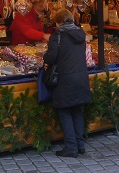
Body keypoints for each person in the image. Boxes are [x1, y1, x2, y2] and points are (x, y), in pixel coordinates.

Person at [43, 9, 91, 158]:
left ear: (59, 22)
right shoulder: (80, 34)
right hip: (81, 78)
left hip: (65, 79)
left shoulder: (57, 36)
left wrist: (44, 55)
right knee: (77, 111)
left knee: (65, 112)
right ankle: (80, 145)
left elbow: (51, 58)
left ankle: (71, 147)